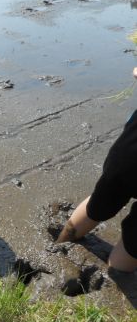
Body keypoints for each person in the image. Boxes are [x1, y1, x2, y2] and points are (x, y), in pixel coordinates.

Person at [56, 67, 137, 272]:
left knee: (102, 200)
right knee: (134, 241)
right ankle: (115, 278)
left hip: (129, 155)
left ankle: (59, 245)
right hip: (129, 158)